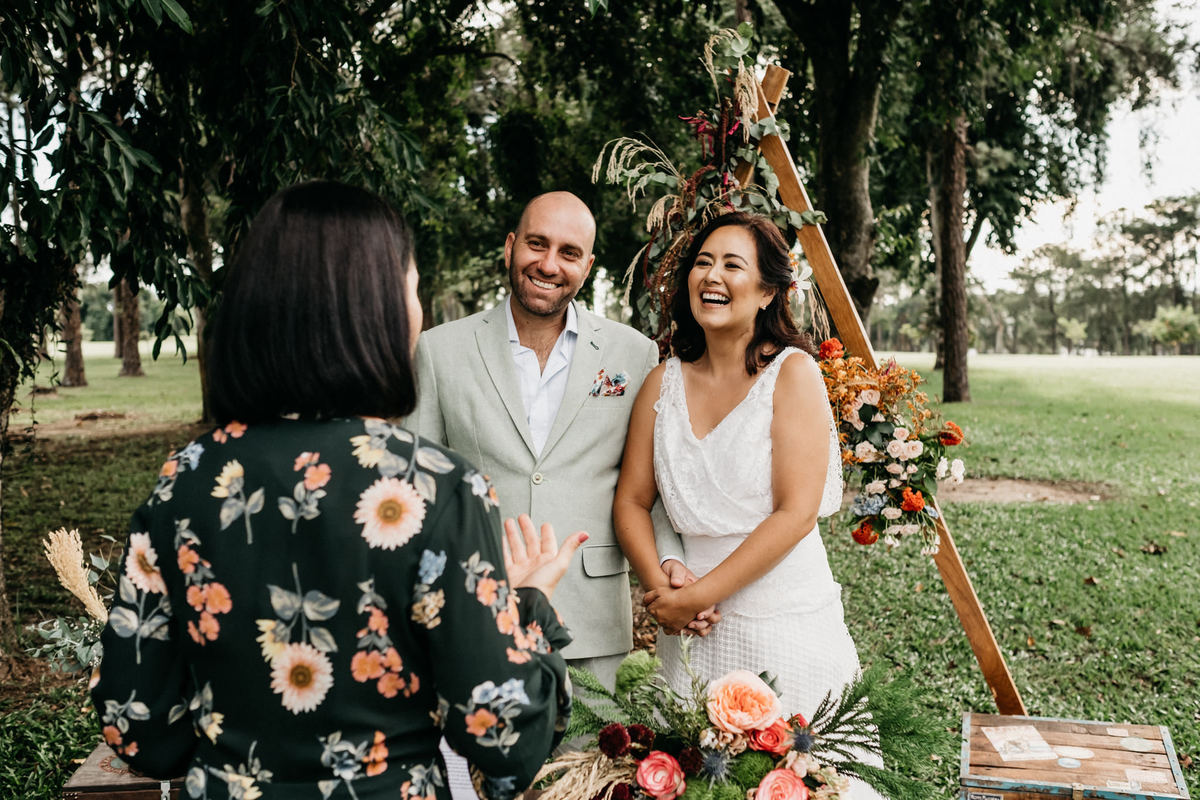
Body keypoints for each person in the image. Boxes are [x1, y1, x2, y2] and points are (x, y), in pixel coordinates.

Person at [90, 181, 584, 800]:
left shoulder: (184, 479)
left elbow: (136, 726)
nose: (419, 310)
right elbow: (508, 742)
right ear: (374, 310)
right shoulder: (436, 487)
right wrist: (529, 605)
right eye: (411, 289)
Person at [408, 191, 715, 799]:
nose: (550, 263)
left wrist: (670, 558)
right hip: (475, 611)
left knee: (583, 783)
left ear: (588, 265)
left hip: (590, 614)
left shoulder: (632, 353)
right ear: (511, 247)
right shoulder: (440, 350)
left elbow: (644, 485)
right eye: (538, 244)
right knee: (475, 780)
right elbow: (418, 487)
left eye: (569, 252)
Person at [613, 211, 884, 799]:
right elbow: (632, 502)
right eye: (703, 262)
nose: (712, 275)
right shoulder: (662, 384)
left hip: (783, 622)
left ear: (767, 292)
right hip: (691, 633)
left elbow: (796, 513)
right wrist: (663, 581)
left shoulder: (793, 375)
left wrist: (697, 596)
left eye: (733, 265)